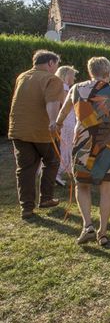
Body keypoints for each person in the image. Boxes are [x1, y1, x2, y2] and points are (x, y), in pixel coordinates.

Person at [55, 57, 110, 246]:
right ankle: (102, 232)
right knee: (106, 187)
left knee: (82, 184)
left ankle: (87, 226)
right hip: (109, 143)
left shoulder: (76, 89)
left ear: (90, 71)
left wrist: (57, 124)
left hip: (84, 141)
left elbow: (63, 112)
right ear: (108, 73)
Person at [8, 49, 64, 219]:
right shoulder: (52, 79)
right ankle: (46, 198)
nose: (56, 68)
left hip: (18, 129)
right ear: (50, 63)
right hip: (42, 131)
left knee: (25, 169)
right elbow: (52, 102)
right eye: (56, 64)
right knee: (52, 161)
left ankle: (26, 208)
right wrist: (53, 121)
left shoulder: (22, 76)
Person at [54, 65, 79, 186]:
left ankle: (59, 173)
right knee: (65, 146)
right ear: (67, 75)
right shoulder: (64, 88)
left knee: (65, 146)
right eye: (72, 75)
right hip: (67, 121)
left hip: (66, 120)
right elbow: (65, 105)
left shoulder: (59, 86)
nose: (74, 77)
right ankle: (57, 173)